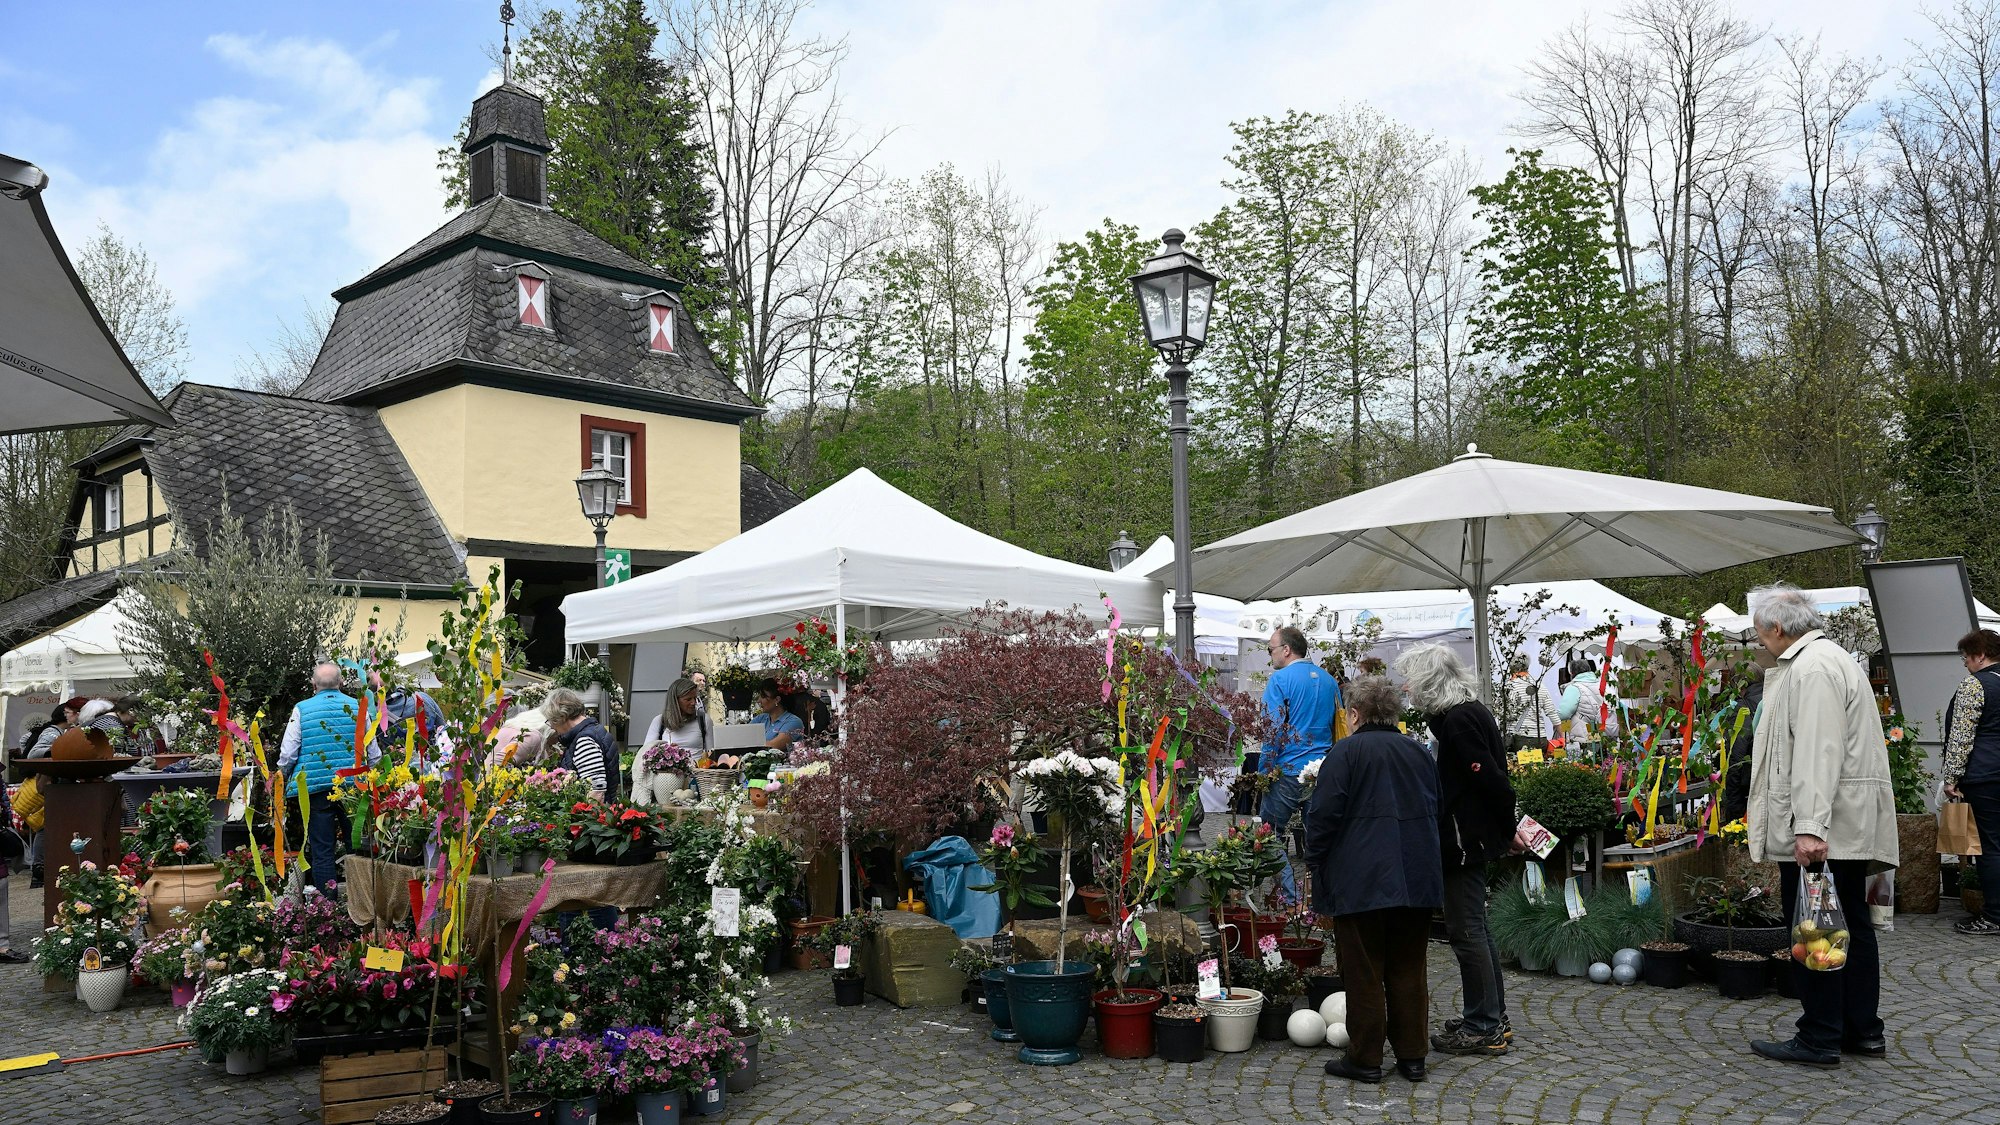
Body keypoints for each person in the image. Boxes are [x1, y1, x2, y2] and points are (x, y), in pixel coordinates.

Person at [1744, 583, 1897, 1067]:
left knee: (1817, 926)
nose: (1757, 640)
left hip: (1825, 826)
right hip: (1842, 822)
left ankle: (1820, 1034)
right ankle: (1860, 1029)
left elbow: (1816, 751)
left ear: (1775, 628)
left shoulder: (1811, 668)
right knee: (1848, 922)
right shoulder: (1828, 659)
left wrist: (1809, 826)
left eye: (1758, 632)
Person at [1301, 675, 1440, 1084]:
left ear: (1355, 713)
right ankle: (1413, 1057)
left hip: (1361, 878)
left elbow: (1323, 817)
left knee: (1363, 971)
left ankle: (1365, 1058)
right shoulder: (1419, 753)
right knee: (1409, 969)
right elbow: (1439, 811)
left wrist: (1315, 863)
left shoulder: (1345, 753)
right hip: (1415, 875)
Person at [1396, 642, 1520, 1056]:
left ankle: (1483, 1025)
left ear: (1430, 681)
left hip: (1466, 842)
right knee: (1475, 930)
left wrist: (1509, 829)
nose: (1407, 687)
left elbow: (1494, 783)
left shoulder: (1460, 721)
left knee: (1466, 931)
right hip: (1473, 838)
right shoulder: (1464, 713)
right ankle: (1489, 1015)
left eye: (1413, 678)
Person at [1260, 626, 1342, 899]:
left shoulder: (1280, 680)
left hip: (1288, 768)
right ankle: (1321, 897)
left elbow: (1271, 730)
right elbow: (1338, 725)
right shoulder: (1329, 681)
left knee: (1269, 834)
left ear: (1286, 649)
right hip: (1323, 769)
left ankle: (1290, 897)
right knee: (1319, 836)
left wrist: (1264, 770)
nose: (1269, 654)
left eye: (1271, 649)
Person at [279, 662, 364, 892]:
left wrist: (283, 776)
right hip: (352, 787)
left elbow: (288, 752)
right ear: (342, 682)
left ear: (313, 684)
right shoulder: (357, 707)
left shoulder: (301, 709)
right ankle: (361, 904)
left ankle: (328, 906)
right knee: (357, 846)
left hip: (315, 789)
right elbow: (372, 749)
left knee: (322, 849)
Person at [544, 687, 621, 931]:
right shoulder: (590, 732)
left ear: (562, 717)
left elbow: (596, 790)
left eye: (552, 722)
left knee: (582, 895)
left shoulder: (585, 739)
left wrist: (581, 827)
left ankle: (581, 951)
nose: (553, 728)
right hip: (595, 826)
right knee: (595, 896)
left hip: (591, 829)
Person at [1941, 628, 2000, 936]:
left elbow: (1961, 737)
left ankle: (1993, 916)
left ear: (1980, 655)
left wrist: (1951, 778)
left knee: (1991, 847)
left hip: (1986, 775)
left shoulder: (1975, 684)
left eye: (1966, 657)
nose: (1965, 663)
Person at [1719, 664, 1765, 826]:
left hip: (1749, 788)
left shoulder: (1740, 707)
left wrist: (1733, 804)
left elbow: (1736, 756)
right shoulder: (1773, 698)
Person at [724, 678, 803, 770]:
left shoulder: (794, 722)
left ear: (777, 700)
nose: (759, 701)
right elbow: (742, 736)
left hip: (782, 773)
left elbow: (774, 746)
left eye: (763, 696)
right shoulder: (761, 718)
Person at [643, 676, 712, 755]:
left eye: (695, 698)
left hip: (697, 766)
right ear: (675, 701)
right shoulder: (660, 721)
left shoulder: (703, 720)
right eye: (688, 699)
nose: (693, 703)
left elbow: (711, 754)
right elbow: (646, 754)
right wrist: (665, 752)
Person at [1501, 658, 1558, 746]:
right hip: (1539, 738)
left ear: (1511, 667)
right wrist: (1563, 736)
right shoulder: (1539, 686)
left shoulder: (1509, 687)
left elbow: (1505, 714)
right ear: (1528, 666)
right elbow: (1552, 713)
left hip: (1518, 738)